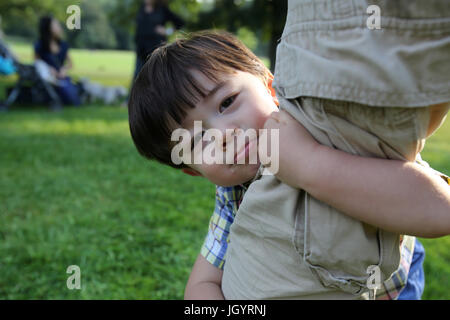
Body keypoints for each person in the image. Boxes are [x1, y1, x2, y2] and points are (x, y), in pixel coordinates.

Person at [128, 31, 450, 299]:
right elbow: (201, 285)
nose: (224, 135)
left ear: (270, 85)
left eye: (227, 102)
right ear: (193, 169)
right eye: (198, 139)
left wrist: (308, 164)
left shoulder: (323, 129)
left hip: (391, 284)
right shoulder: (234, 196)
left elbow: (440, 211)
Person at [34, 15, 80, 106]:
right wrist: (49, 69)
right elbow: (37, 64)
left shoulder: (63, 45)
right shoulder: (40, 45)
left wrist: (64, 69)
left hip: (61, 78)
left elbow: (70, 64)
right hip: (48, 80)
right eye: (56, 25)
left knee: (71, 96)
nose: (59, 27)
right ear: (48, 28)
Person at [132, 0, 184, 81]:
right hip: (141, 50)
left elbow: (180, 22)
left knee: (156, 77)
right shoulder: (142, 8)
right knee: (138, 78)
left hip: (156, 50)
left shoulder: (162, 9)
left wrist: (167, 31)